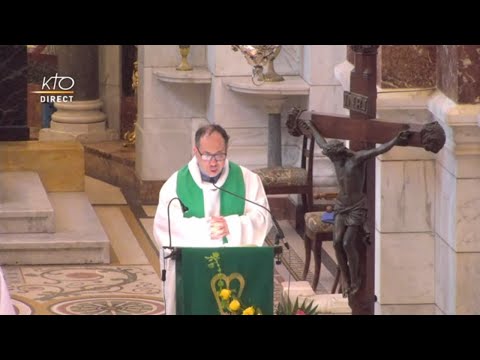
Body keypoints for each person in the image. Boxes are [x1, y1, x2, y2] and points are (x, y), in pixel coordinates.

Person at [153, 124, 272, 315]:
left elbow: (262, 216)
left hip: (236, 264)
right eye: (207, 155)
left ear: (227, 151)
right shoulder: (175, 184)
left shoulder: (247, 179)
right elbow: (165, 226)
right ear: (196, 152)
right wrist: (208, 229)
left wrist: (231, 226)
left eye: (219, 155)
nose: (214, 162)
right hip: (193, 267)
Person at [305, 119, 412, 296]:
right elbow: (322, 142)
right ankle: (345, 278)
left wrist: (395, 140)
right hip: (341, 205)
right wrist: (311, 127)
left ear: (340, 153)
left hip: (356, 207)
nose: (331, 159)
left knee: (347, 242)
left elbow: (378, 150)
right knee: (337, 242)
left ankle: (355, 278)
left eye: (333, 156)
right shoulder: (335, 158)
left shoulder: (356, 159)